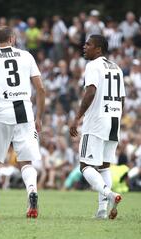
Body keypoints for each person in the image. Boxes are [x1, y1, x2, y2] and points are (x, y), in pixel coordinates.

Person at [0, 26, 45, 218]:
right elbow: (41, 89)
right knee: (26, 162)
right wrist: (39, 117)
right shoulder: (26, 56)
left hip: (0, 112)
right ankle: (32, 192)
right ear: (12, 39)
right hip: (24, 112)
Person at [70, 34, 125, 219]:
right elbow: (122, 98)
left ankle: (110, 195)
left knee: (85, 166)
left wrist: (77, 117)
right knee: (104, 167)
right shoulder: (117, 67)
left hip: (96, 121)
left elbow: (90, 91)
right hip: (114, 119)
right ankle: (102, 211)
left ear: (99, 49)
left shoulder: (93, 65)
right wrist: (115, 115)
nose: (84, 47)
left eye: (89, 44)